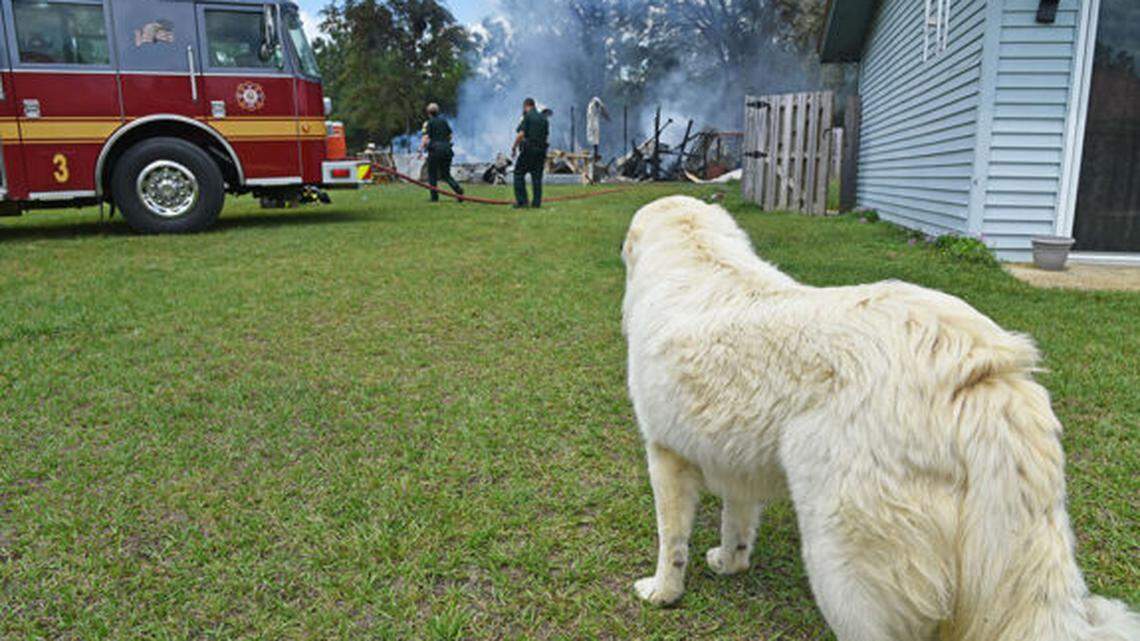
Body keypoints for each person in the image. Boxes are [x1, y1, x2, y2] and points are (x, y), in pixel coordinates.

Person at [420, 103, 464, 202]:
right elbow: (450, 135)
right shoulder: (444, 122)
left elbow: (426, 138)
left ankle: (434, 197)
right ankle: (458, 190)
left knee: (432, 175)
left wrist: (421, 149)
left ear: (428, 113)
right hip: (447, 150)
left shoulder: (428, 123)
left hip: (435, 151)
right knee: (446, 174)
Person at [511, 98, 549, 209]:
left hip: (529, 149)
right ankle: (536, 203)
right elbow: (546, 137)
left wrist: (514, 147)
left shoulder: (527, 116)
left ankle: (522, 202)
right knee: (537, 177)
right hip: (541, 151)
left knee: (518, 173)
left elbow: (521, 134)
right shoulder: (544, 118)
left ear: (526, 106)